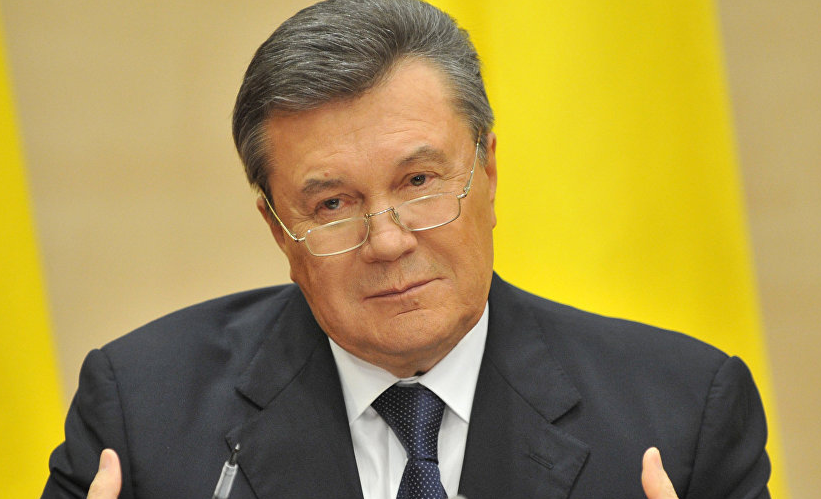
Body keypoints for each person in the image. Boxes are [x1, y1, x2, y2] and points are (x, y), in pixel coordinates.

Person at [42, 0, 770, 498]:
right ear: (277, 227)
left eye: (419, 182)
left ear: (487, 173)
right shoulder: (143, 415)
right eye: (332, 204)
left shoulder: (680, 413)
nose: (387, 241)